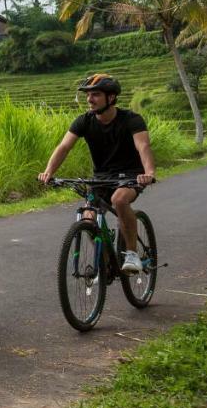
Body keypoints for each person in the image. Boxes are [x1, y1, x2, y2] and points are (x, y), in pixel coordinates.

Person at [38, 73, 156, 273]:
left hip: (130, 176)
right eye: (88, 95)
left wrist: (149, 172)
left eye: (96, 95)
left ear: (110, 98)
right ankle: (107, 262)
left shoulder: (131, 120)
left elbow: (143, 146)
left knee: (119, 200)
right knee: (88, 219)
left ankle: (132, 254)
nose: (89, 100)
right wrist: (49, 171)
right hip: (101, 178)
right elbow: (64, 147)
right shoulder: (84, 121)